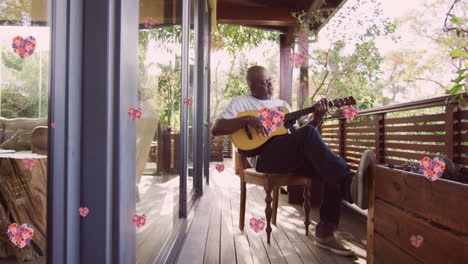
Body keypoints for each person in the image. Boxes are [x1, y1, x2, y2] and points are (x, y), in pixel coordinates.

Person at [211, 65, 375, 256]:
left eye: (270, 80)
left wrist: (316, 118)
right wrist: (246, 120)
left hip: (286, 155)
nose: (270, 86)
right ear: (252, 86)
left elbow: (299, 137)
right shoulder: (241, 103)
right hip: (263, 158)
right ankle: (349, 186)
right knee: (332, 164)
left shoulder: (282, 106)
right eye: (263, 83)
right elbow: (217, 128)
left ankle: (325, 232)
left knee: (331, 165)